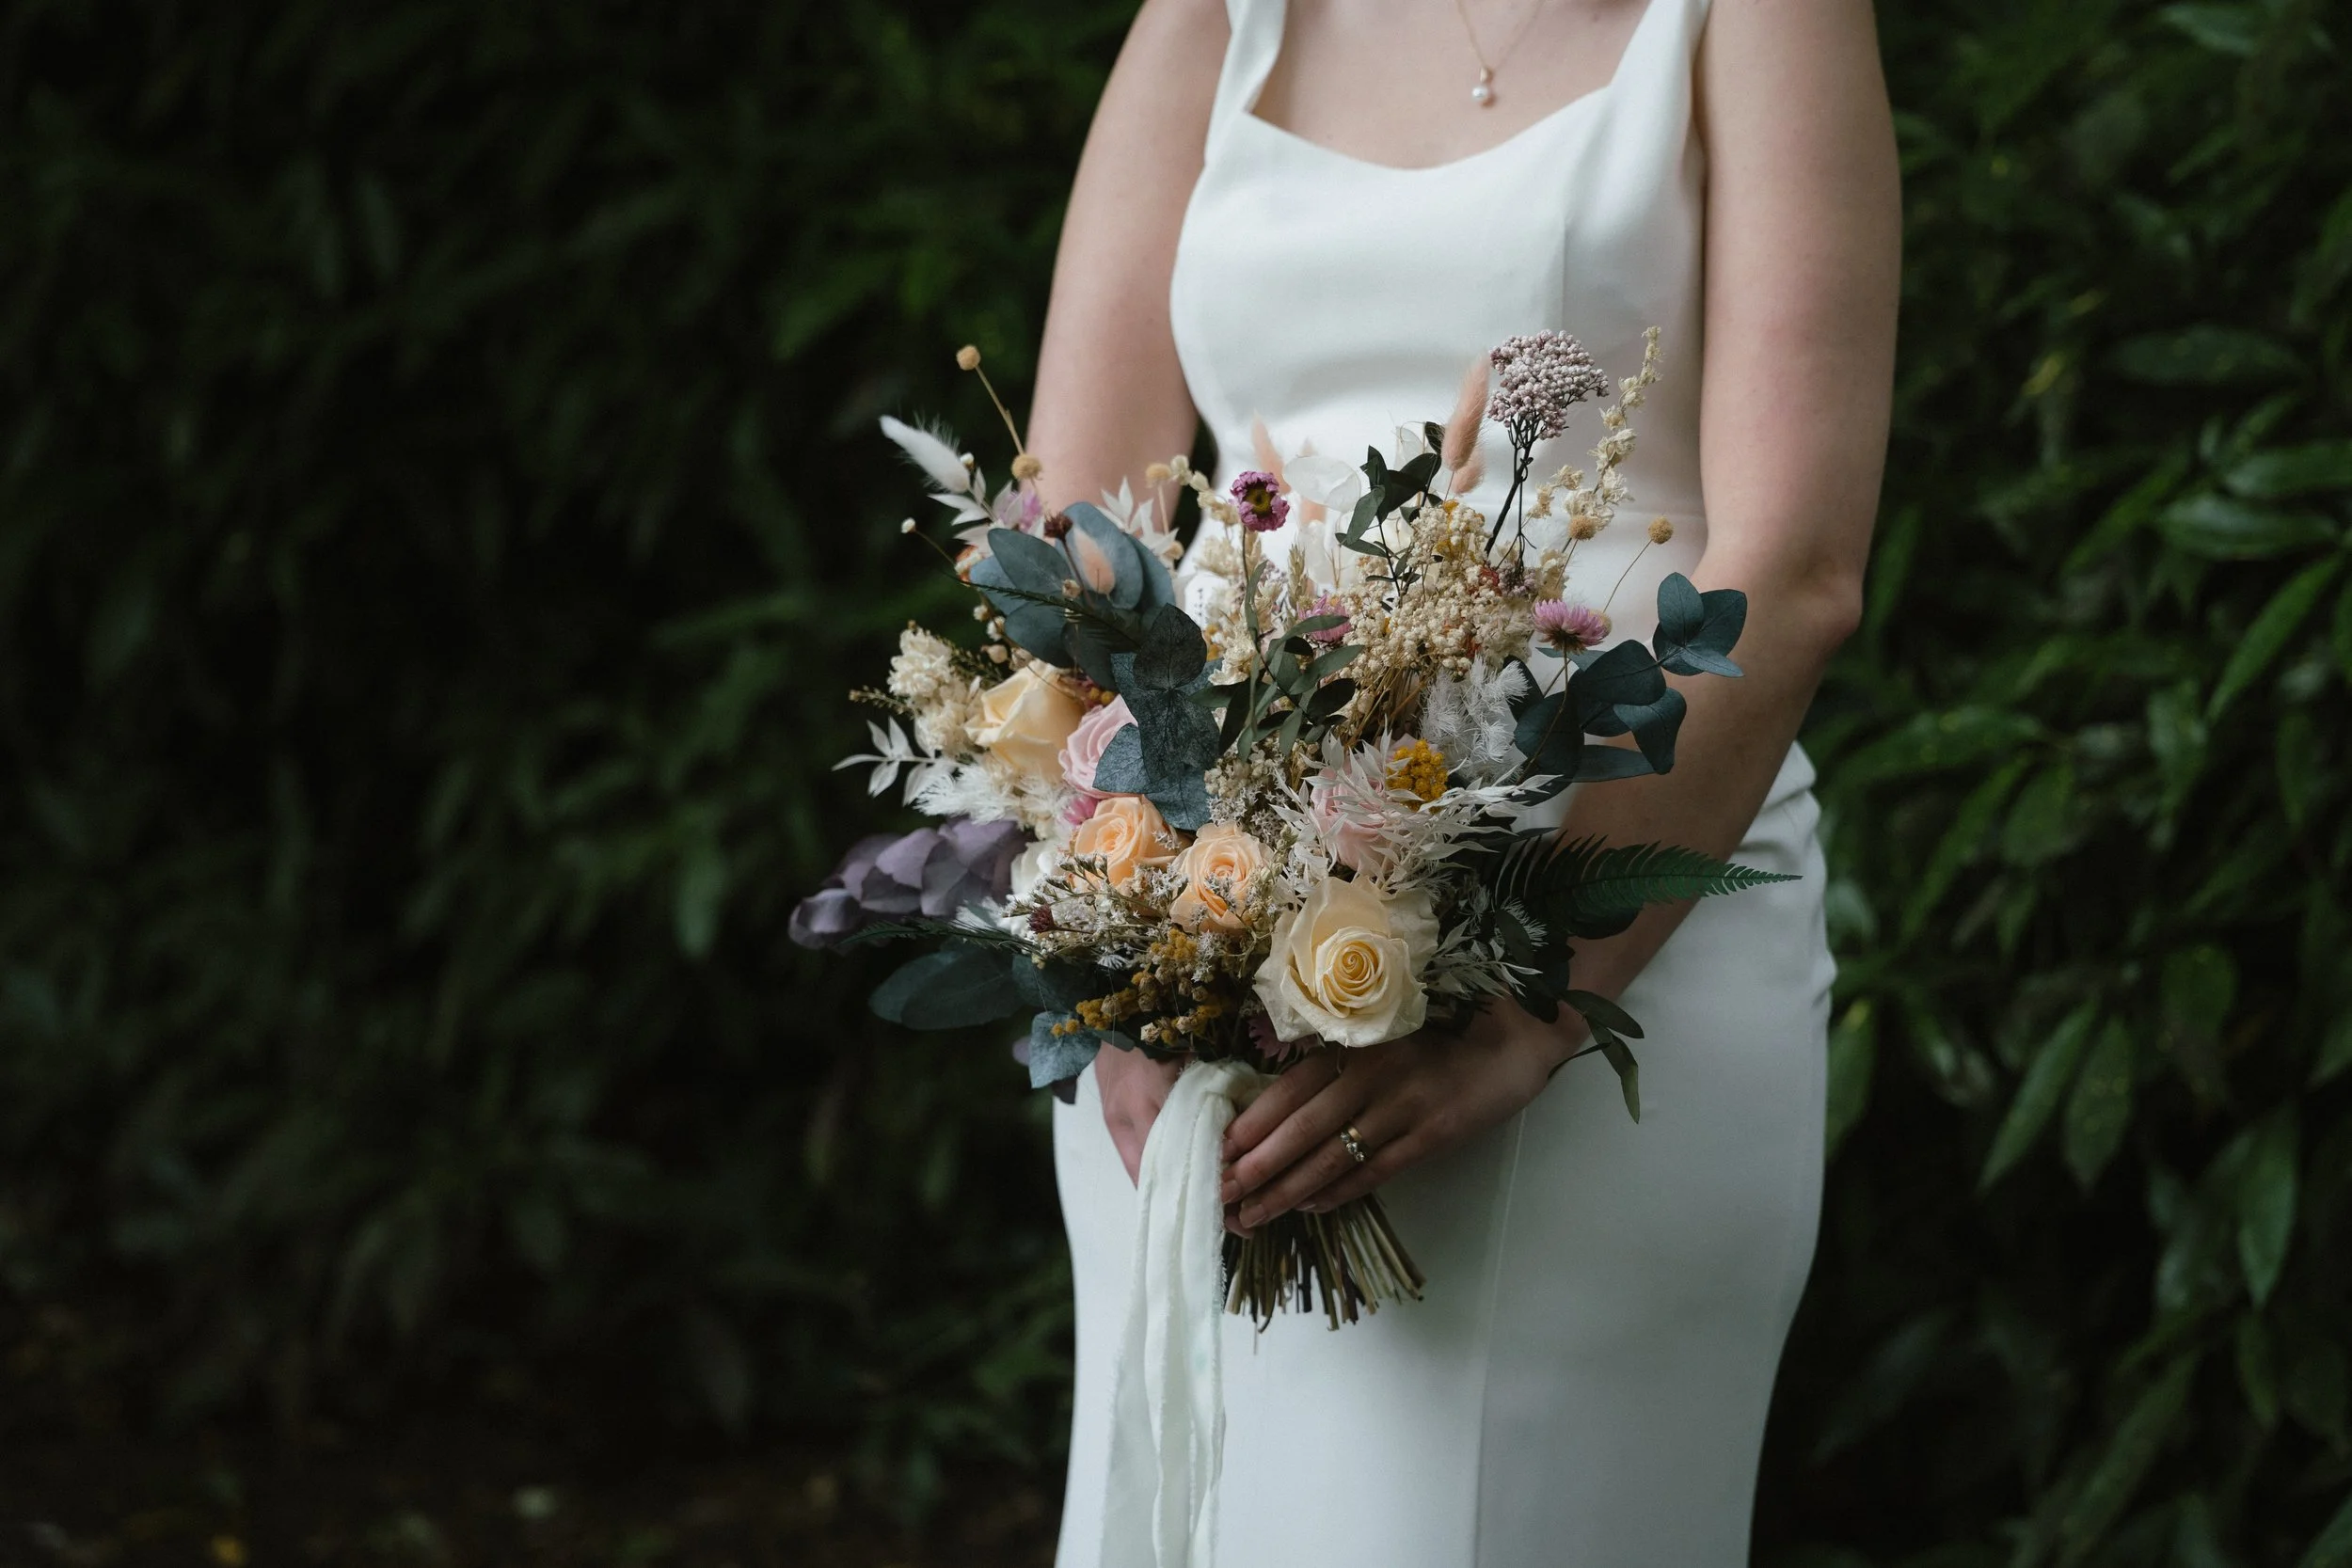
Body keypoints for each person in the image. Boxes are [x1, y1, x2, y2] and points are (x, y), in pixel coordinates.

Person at [1025, 0, 1898, 1560]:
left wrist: (1529, 1003)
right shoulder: (1210, 17)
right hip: (1206, 947)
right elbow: (1078, 529)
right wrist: (1128, 954)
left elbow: (1802, 570)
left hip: (1622, 926)